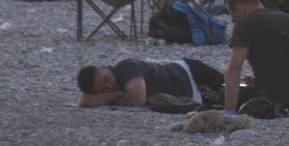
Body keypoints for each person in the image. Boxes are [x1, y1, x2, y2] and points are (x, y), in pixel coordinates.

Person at [76, 57, 224, 108]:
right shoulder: (116, 89)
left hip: (191, 75)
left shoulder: (127, 67)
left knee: (238, 95)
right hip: (190, 93)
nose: (109, 86)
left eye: (106, 80)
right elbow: (83, 101)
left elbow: (137, 99)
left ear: (106, 67)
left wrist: (111, 96)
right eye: (103, 90)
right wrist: (119, 94)